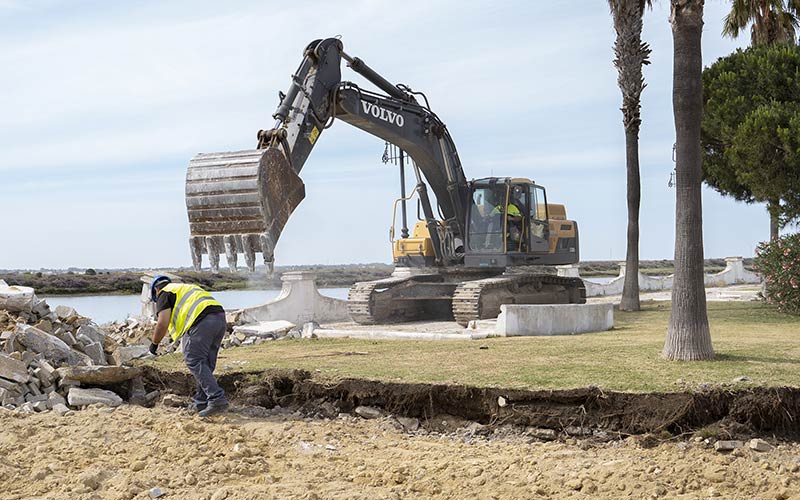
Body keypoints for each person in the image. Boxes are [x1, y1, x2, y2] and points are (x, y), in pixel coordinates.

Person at [149, 275, 229, 417]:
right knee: (206, 363)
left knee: (193, 359)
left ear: (156, 289)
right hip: (219, 318)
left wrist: (154, 345)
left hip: (201, 321)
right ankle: (201, 403)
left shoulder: (164, 293)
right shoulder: (184, 288)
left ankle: (217, 398)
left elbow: (162, 322)